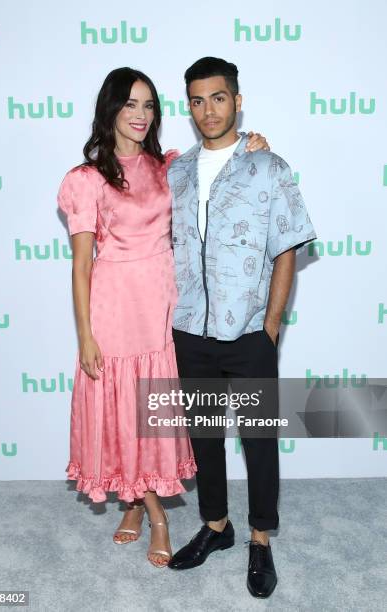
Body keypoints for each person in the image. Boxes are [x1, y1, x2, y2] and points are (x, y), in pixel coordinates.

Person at [57, 66, 270, 568]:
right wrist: (85, 335)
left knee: (152, 412)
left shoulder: (167, 166)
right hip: (114, 307)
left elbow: (218, 168)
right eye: (129, 104)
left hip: (165, 306)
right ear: (110, 109)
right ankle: (152, 512)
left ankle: (136, 503)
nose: (140, 114)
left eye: (149, 105)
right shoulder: (85, 180)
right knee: (123, 410)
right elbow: (82, 264)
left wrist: (252, 147)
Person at [167, 57, 317, 598]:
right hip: (190, 331)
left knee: (257, 441)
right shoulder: (176, 173)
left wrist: (271, 325)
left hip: (250, 333)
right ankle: (216, 527)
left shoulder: (268, 167)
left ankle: (259, 538)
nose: (209, 109)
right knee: (204, 436)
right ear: (188, 106)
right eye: (198, 100)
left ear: (237, 99)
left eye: (219, 97)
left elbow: (286, 250)